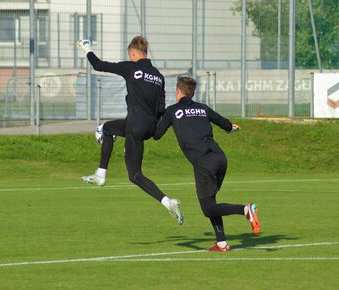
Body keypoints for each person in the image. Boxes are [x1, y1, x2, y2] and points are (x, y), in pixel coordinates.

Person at [77, 36, 183, 225]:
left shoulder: (131, 68)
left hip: (135, 126)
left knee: (134, 174)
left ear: (133, 53)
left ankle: (101, 175)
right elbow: (160, 109)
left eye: (130, 55)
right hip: (149, 127)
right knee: (107, 129)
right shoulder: (158, 76)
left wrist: (87, 49)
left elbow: (99, 65)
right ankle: (167, 202)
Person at [154, 76, 260, 251]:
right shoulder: (202, 109)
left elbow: (157, 135)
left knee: (208, 208)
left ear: (178, 92)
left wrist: (153, 120)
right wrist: (230, 128)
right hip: (220, 158)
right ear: (192, 92)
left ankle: (245, 210)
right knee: (211, 202)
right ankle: (221, 242)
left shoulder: (172, 111)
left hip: (204, 163)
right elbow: (222, 122)